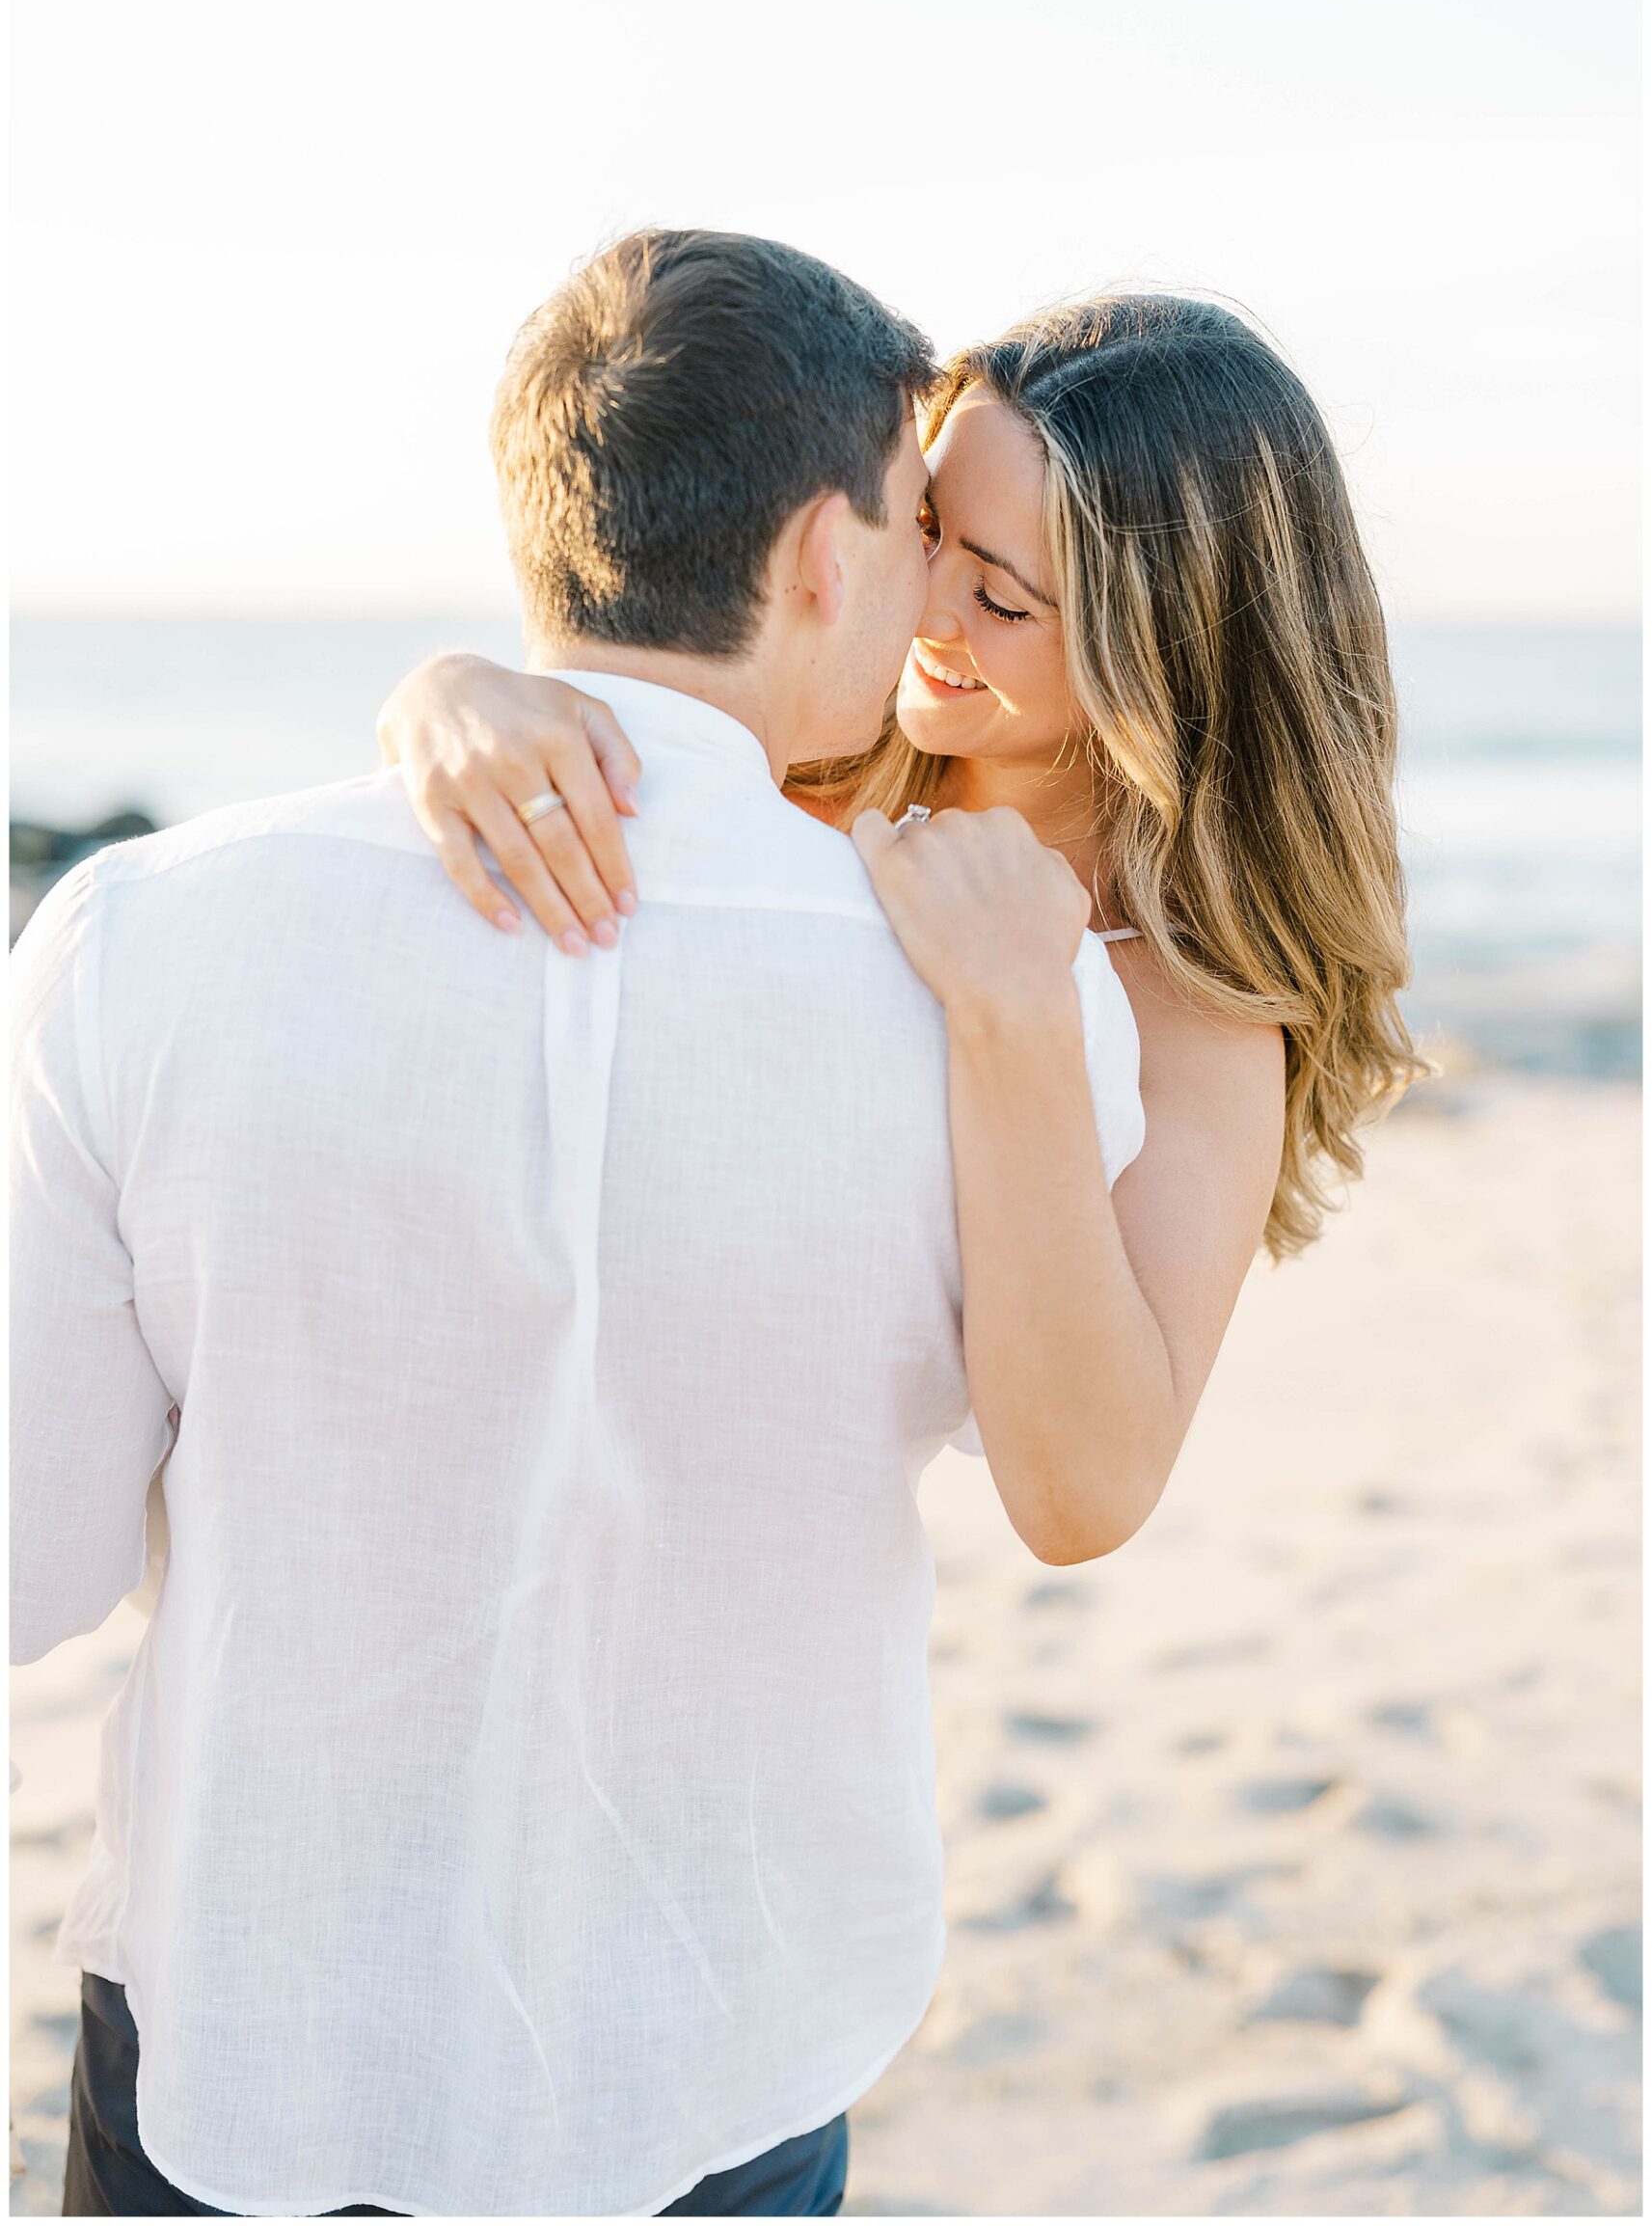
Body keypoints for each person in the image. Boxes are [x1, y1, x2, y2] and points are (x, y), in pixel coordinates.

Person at [9, 229, 1147, 2220]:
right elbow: (1055, 1446)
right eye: (908, 531)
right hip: (716, 2041)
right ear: (816, 549)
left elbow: (30, 1546)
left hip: (254, 2036)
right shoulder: (997, 1003)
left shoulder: (140, 934)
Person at [379, 290, 1427, 1495]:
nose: (921, 606)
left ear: (1166, 653)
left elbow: (1089, 1489)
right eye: (926, 528)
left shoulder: (1191, 1010)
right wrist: (450, 693)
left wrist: (1019, 1012)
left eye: (1000, 597)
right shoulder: (802, 760)